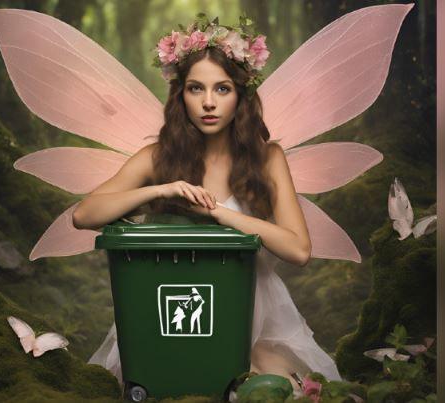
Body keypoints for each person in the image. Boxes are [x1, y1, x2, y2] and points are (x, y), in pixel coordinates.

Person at [77, 17, 343, 390]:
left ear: (241, 94)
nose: (207, 103)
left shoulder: (267, 158)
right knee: (169, 384)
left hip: (253, 308)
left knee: (272, 390)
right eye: (195, 88)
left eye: (222, 89)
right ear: (179, 95)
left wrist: (219, 213)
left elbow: (298, 250)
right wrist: (160, 190)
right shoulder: (158, 157)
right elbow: (83, 215)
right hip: (167, 301)